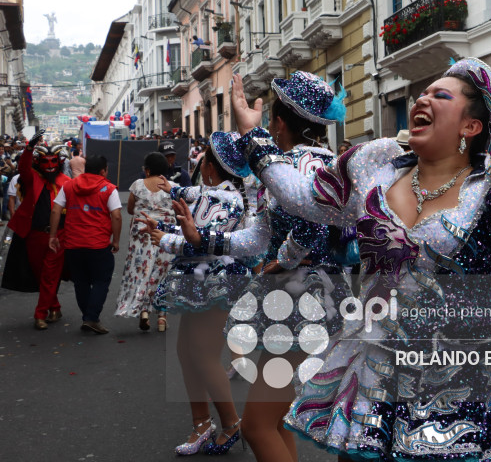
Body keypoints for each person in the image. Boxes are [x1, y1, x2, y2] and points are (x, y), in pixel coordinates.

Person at [227, 58, 491, 460]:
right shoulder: (375, 163)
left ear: (470, 127)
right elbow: (302, 197)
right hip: (377, 368)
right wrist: (253, 133)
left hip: (455, 382)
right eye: (423, 93)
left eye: (440, 95)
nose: (422, 99)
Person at [152, 71, 350, 462]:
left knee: (258, 426)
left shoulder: (303, 165)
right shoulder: (301, 164)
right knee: (274, 421)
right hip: (292, 300)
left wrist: (288, 256)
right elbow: (258, 237)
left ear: (278, 123)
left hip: (305, 300)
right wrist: (201, 239)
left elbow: (313, 221)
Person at [140, 144, 253, 455]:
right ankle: (202, 424)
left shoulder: (222, 197)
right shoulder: (221, 195)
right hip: (201, 279)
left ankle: (230, 424)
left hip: (214, 279)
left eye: (204, 163)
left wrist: (166, 239)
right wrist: (162, 229)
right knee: (186, 352)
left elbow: (201, 241)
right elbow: (193, 227)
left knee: (202, 356)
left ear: (211, 168)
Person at [48, 155, 122, 335]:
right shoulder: (108, 189)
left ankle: (88, 317)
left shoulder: (69, 185)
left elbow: (56, 209)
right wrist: (116, 240)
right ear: (103, 171)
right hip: (98, 244)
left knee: (80, 282)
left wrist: (52, 236)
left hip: (73, 244)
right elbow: (117, 216)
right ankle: (91, 318)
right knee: (101, 280)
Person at [7, 131, 71, 330]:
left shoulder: (67, 183)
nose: (50, 164)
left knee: (50, 275)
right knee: (39, 273)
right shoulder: (32, 178)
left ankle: (40, 314)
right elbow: (23, 168)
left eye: (54, 160)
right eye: (46, 160)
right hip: (34, 234)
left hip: (58, 235)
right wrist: (28, 148)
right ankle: (55, 307)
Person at [114, 152, 176, 331]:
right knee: (162, 273)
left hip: (141, 236)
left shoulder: (138, 185)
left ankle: (144, 312)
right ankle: (162, 317)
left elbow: (132, 209)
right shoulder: (172, 187)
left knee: (142, 271)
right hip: (165, 235)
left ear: (147, 170)